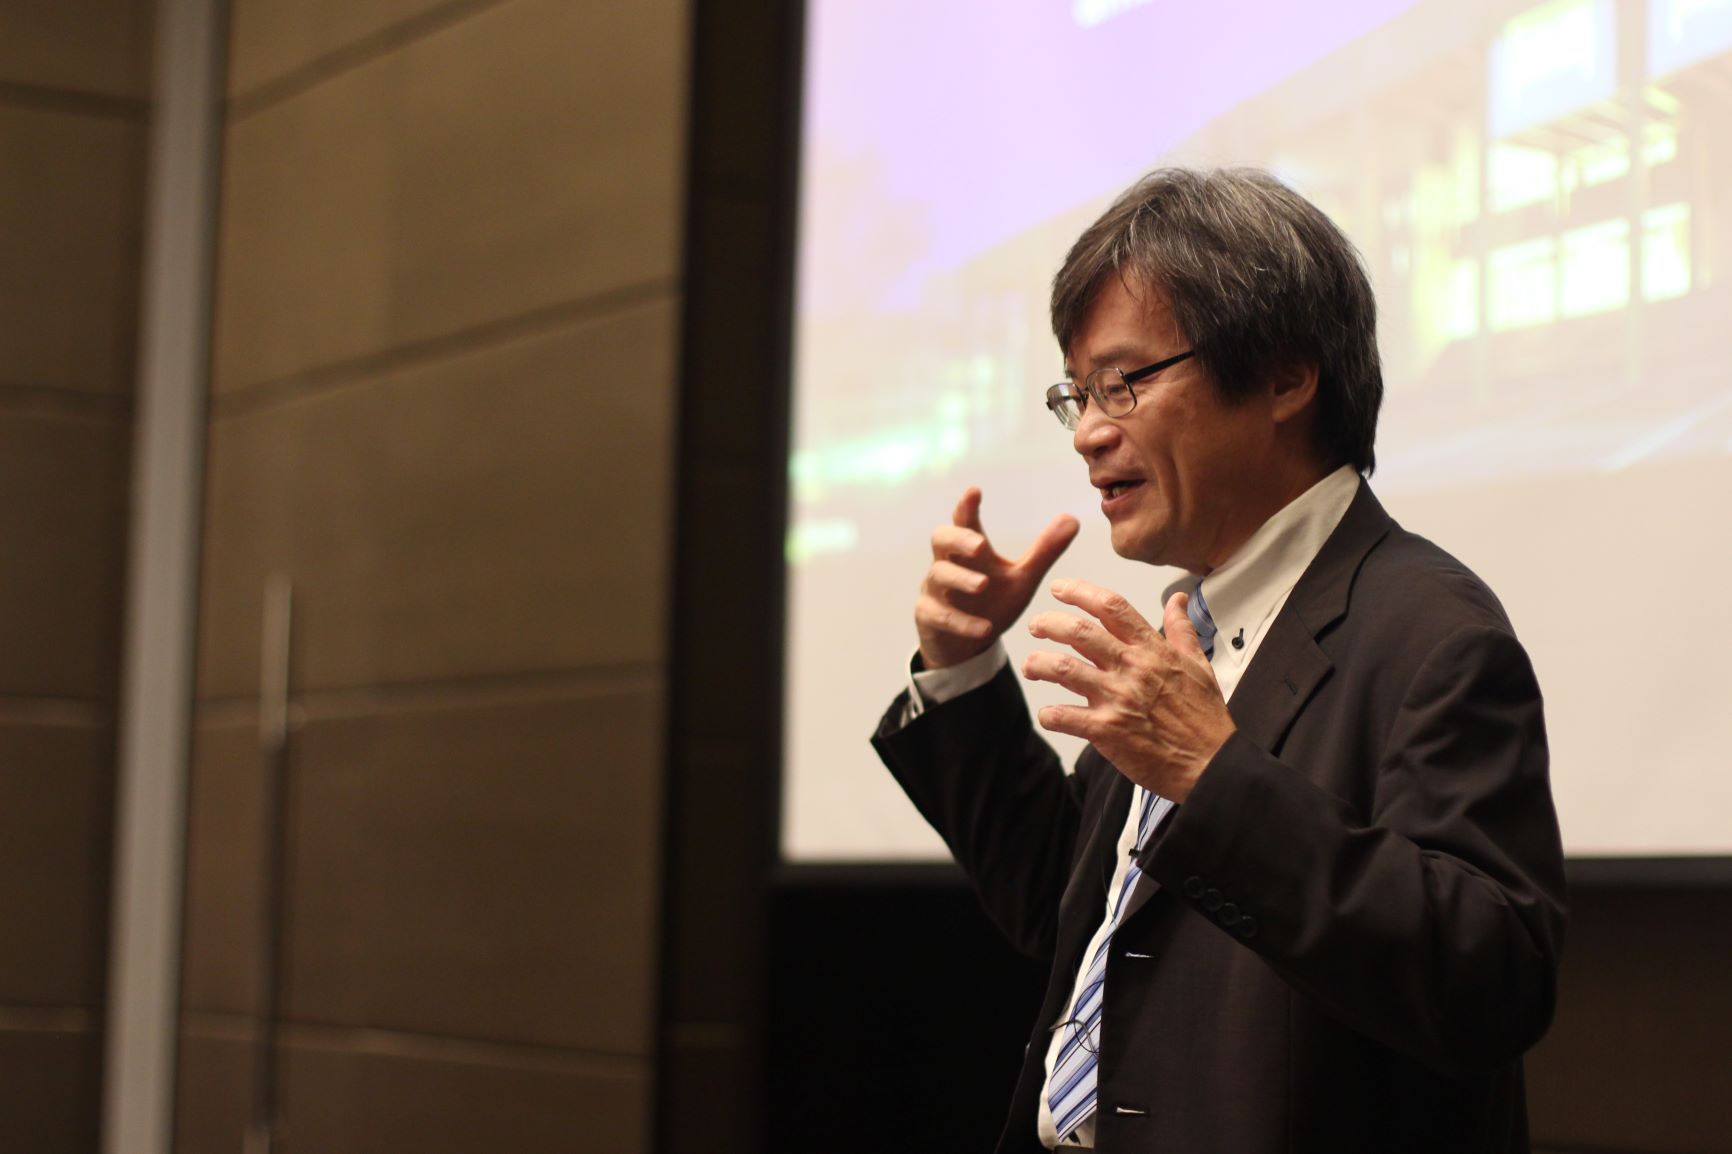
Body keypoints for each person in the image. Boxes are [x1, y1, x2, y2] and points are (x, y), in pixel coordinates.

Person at [871, 167, 1566, 1153]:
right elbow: (1057, 899)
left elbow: (1487, 981)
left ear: (1284, 374)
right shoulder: (1186, 626)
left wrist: (1214, 774)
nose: (1089, 431)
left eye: (1124, 381)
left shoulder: (1432, 630)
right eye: (1076, 392)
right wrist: (960, 667)